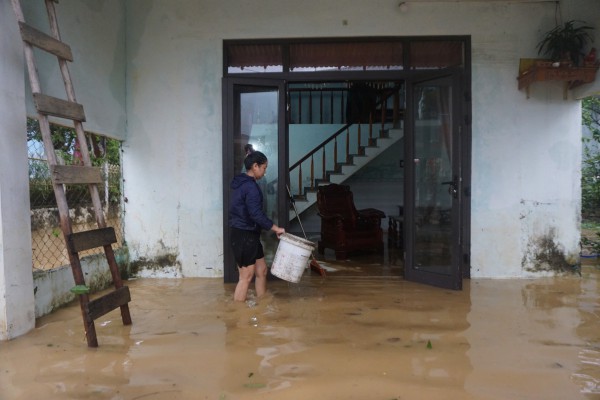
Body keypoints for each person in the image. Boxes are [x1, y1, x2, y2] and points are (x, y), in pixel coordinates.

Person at [229, 150, 285, 302]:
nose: (265, 172)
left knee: (262, 270)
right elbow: (256, 214)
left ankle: (262, 303)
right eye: (264, 168)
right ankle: (238, 317)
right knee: (246, 277)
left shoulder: (241, 183)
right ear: (255, 166)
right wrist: (275, 228)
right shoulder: (251, 187)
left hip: (249, 234)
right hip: (244, 235)